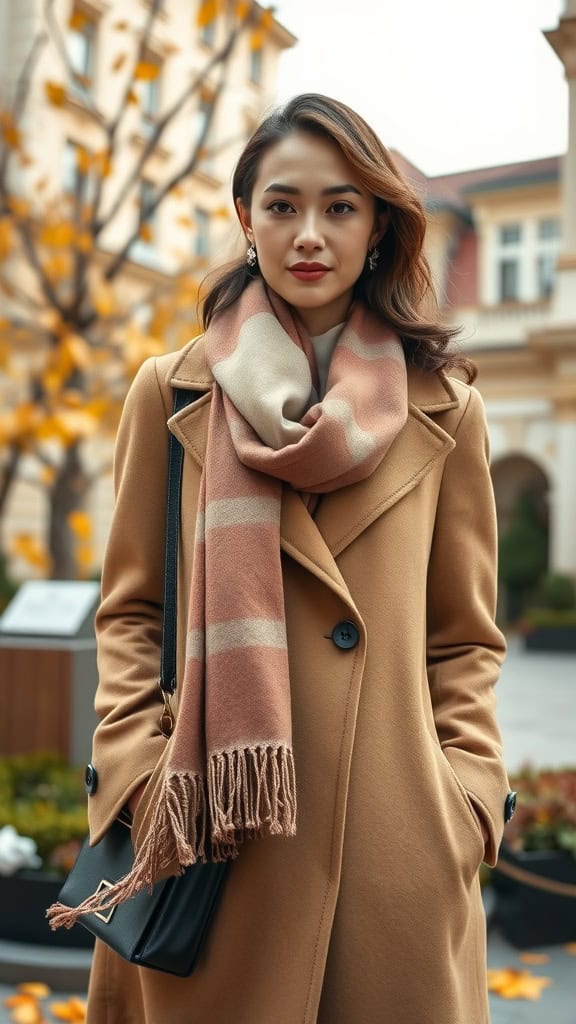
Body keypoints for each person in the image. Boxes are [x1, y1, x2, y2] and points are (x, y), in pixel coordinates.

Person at [77, 94, 515, 1023]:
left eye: (340, 207)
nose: (308, 234)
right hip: (209, 847)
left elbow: (464, 639)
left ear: (376, 227)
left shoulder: (447, 409)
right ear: (246, 220)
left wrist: (465, 798)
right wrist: (137, 771)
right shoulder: (172, 392)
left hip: (394, 855)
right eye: (282, 205)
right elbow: (130, 612)